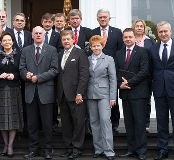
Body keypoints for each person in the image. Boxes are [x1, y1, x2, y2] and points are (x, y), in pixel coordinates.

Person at [19, 26, 58, 159]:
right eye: (35, 33)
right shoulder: (25, 50)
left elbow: (54, 70)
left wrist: (38, 78)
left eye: (40, 33)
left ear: (44, 35)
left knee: (47, 123)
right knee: (32, 123)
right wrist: (26, 75)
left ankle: (47, 149)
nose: (38, 35)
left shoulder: (52, 50)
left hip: (46, 91)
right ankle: (33, 149)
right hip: (30, 92)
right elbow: (21, 69)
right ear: (32, 35)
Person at [0, 32, 23, 158]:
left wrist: (14, 76)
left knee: (13, 118)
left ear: (13, 42)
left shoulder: (19, 55)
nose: (7, 42)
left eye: (9, 40)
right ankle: (5, 144)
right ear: (1, 42)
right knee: (2, 119)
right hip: (0, 89)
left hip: (14, 88)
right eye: (4, 40)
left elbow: (22, 71)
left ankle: (10, 146)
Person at [116, 28, 149, 160]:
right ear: (123, 39)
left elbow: (144, 71)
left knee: (140, 123)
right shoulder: (118, 54)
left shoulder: (143, 52)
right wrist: (120, 84)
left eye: (130, 37)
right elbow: (116, 72)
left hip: (139, 93)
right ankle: (131, 150)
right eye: (125, 37)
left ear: (135, 38)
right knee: (129, 124)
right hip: (125, 94)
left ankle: (141, 151)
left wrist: (129, 82)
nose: (128, 39)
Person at [58, 30, 89, 159]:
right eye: (64, 39)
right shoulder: (59, 54)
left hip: (76, 95)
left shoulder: (80, 53)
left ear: (73, 40)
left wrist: (80, 93)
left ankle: (77, 148)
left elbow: (84, 75)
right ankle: (68, 147)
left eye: (68, 39)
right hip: (62, 95)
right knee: (65, 123)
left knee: (78, 122)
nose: (66, 41)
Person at [92, 8, 123, 134]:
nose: (103, 19)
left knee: (112, 97)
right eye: (100, 17)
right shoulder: (93, 32)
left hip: (112, 69)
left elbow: (120, 51)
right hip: (97, 71)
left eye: (105, 17)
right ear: (97, 19)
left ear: (109, 19)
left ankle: (114, 123)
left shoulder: (116, 32)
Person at [87, 35, 116, 160]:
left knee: (105, 121)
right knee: (94, 122)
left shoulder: (109, 59)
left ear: (102, 46)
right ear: (91, 47)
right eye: (94, 46)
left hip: (104, 94)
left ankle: (109, 150)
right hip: (90, 94)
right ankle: (98, 149)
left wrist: (113, 97)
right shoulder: (87, 59)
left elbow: (113, 79)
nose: (96, 48)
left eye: (98, 45)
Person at [149, 21, 174, 160]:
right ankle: (163, 149)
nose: (163, 34)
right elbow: (151, 70)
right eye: (160, 32)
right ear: (157, 33)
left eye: (165, 31)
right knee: (161, 122)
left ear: (170, 31)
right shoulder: (153, 49)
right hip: (159, 90)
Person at [132, 19, 155, 133]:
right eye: (137, 26)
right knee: (134, 101)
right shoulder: (130, 39)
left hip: (147, 75)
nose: (139, 28)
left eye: (141, 26)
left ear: (144, 28)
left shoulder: (150, 40)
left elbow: (154, 55)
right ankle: (135, 123)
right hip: (133, 75)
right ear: (134, 27)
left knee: (146, 100)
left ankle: (146, 124)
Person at [10, 12, 33, 133]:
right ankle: (14, 124)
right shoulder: (7, 34)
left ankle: (25, 126)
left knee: (26, 101)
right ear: (13, 22)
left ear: (25, 23)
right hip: (12, 73)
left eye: (22, 21)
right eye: (17, 20)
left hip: (26, 72)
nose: (19, 22)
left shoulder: (30, 35)